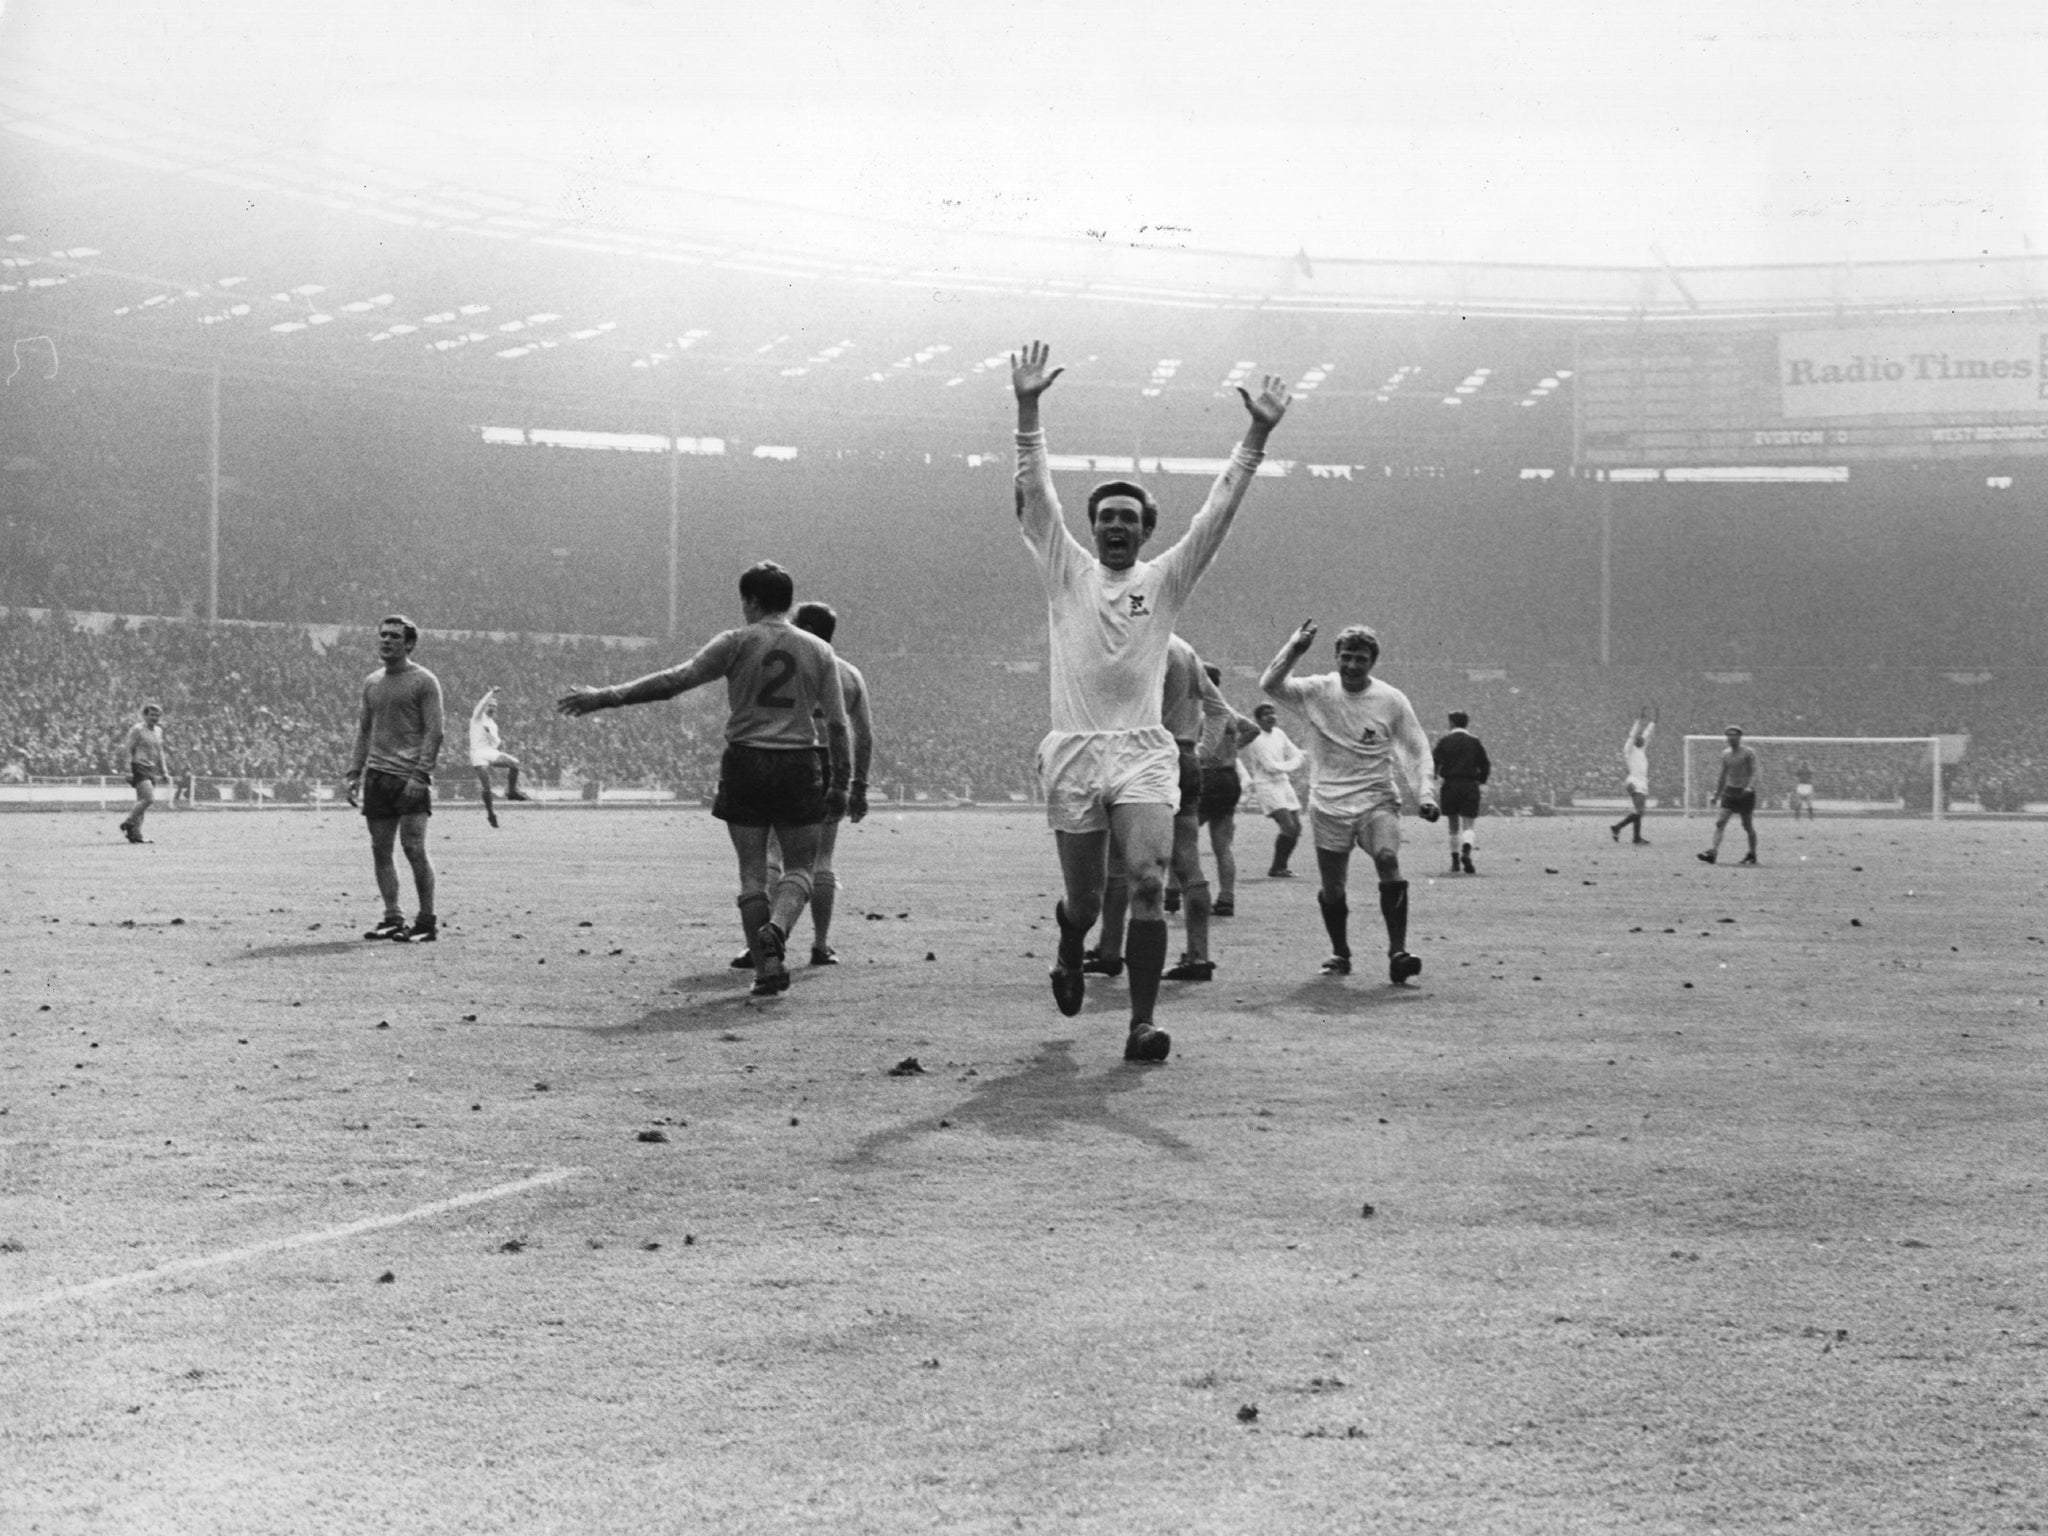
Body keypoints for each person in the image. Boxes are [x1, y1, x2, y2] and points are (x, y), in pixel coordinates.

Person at [1012, 338, 1289, 1063]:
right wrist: (1028, 409)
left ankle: (1141, 1022)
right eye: (1105, 515)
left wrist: (1255, 435)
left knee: (1145, 881)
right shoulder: (1064, 571)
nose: (1114, 525)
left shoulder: (1164, 582)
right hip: (1074, 749)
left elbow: (1217, 513)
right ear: (1092, 524)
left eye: (1128, 518)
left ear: (1144, 530)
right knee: (1081, 902)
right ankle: (1071, 943)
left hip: (1142, 752)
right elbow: (1036, 497)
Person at [557, 561, 849, 997]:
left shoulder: (735, 641)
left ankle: (765, 969)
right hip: (797, 761)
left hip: (745, 761)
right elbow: (839, 726)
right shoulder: (819, 651)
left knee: (752, 874)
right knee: (801, 868)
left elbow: (676, 680)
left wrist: (606, 697)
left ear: (750, 601)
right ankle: (779, 929)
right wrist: (841, 782)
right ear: (788, 603)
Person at [1261, 619, 1439, 985]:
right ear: (1336, 657)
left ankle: (1398, 953)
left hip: (1376, 799)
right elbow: (1270, 684)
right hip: (1328, 803)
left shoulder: (1390, 699)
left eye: (1361, 658)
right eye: (1347, 657)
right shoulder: (1317, 690)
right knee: (1333, 887)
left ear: (1373, 661)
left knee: (1388, 859)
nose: (1353, 665)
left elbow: (1417, 748)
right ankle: (1340, 953)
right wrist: (1294, 648)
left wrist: (1424, 794)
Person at [1084, 637, 1241, 985]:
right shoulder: (1187, 649)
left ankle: (1110, 950)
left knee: (1120, 860)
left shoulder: (1144, 647)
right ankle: (1199, 956)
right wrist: (1201, 752)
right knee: (1188, 862)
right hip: (1184, 758)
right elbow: (1219, 710)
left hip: (1145, 758)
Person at [727, 600, 874, 968]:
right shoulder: (849, 675)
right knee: (821, 860)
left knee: (775, 856)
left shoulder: (792, 666)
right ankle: (820, 946)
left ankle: (765, 941)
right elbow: (864, 735)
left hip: (794, 759)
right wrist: (857, 786)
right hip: (831, 763)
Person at [346, 616, 445, 942]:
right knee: (380, 849)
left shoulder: (424, 681)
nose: (386, 641)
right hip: (377, 776)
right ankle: (392, 917)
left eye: (394, 636)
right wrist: (353, 772)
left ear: (409, 644)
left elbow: (435, 731)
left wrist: (422, 773)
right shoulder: (372, 682)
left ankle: (426, 922)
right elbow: (363, 730)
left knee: (414, 847)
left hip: (410, 777)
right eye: (383, 635)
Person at [1195, 662, 1263, 917]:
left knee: (1183, 837)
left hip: (1208, 779)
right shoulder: (1229, 712)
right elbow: (1254, 729)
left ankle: (1176, 893)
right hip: (1229, 778)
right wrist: (1232, 750)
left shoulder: (1200, 714)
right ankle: (1226, 898)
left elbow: (1199, 749)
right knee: (1222, 846)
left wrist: (1212, 759)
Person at [1240, 702, 1307, 876]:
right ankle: (1277, 867)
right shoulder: (1256, 738)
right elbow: (1270, 767)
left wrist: (1290, 763)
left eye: (1273, 713)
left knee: (1297, 827)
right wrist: (1293, 764)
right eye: (1266, 714)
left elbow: (1296, 753)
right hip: (1267, 784)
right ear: (1258, 719)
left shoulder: (1279, 733)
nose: (1271, 716)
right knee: (1289, 827)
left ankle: (1280, 867)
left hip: (1283, 783)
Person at [1431, 710, 1491, 874]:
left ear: (1451, 723)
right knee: (1468, 824)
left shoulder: (1444, 741)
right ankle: (1467, 850)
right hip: (1470, 784)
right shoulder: (1474, 741)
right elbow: (1485, 764)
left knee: (1453, 824)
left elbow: (1434, 761)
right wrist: (1482, 781)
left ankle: (1455, 861)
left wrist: (1435, 776)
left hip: (1450, 784)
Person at [468, 687, 531, 828]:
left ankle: (511, 791)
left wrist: (489, 733)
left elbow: (496, 743)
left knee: (515, 763)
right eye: (490, 705)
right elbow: (481, 704)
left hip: (489, 751)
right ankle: (491, 814)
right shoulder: (477, 717)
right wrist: (491, 692)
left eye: (494, 706)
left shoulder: (492, 724)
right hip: (477, 753)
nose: (492, 708)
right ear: (486, 707)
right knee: (487, 787)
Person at [1698, 725, 1760, 865]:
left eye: (1734, 734)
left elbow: (1755, 771)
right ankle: (1713, 852)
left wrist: (1750, 787)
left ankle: (1752, 853)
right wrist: (1716, 794)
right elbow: (1722, 775)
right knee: (1720, 822)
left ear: (1739, 737)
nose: (1731, 737)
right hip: (1730, 792)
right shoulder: (1725, 754)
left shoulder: (1748, 752)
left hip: (1745, 793)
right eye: (1729, 735)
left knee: (1747, 826)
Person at [117, 702, 173, 844]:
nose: (155, 718)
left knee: (142, 802)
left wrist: (164, 770)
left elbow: (159, 751)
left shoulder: (158, 731)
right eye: (152, 715)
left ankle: (136, 836)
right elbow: (128, 749)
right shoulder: (137, 729)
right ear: (145, 715)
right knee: (148, 799)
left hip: (151, 767)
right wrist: (128, 769)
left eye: (157, 715)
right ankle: (128, 823)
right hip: (138, 765)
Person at [1610, 708, 1656, 844]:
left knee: (1639, 811)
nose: (1642, 738)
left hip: (1641, 781)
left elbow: (1647, 735)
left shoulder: (1641, 749)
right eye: (1639, 737)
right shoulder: (1629, 749)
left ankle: (1636, 837)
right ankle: (1617, 828)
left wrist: (1653, 723)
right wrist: (1639, 721)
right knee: (1640, 811)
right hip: (1634, 781)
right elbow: (1632, 735)